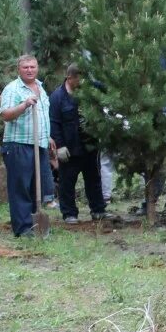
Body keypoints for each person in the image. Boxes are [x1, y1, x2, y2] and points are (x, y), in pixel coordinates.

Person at [0, 54, 55, 237]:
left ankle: (33, 225)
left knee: (34, 187)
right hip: (18, 144)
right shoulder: (13, 89)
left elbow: (44, 116)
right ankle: (22, 228)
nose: (30, 70)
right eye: (26, 68)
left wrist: (49, 137)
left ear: (37, 68)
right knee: (20, 187)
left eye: (33, 67)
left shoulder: (40, 87)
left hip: (38, 143)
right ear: (19, 70)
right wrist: (24, 105)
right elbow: (5, 114)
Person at [50, 63, 107, 224]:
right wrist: (59, 146)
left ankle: (98, 209)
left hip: (90, 145)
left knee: (94, 179)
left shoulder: (89, 90)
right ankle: (69, 213)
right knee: (67, 181)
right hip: (69, 148)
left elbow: (108, 90)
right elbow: (54, 123)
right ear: (70, 78)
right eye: (80, 79)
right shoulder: (57, 97)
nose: (84, 82)